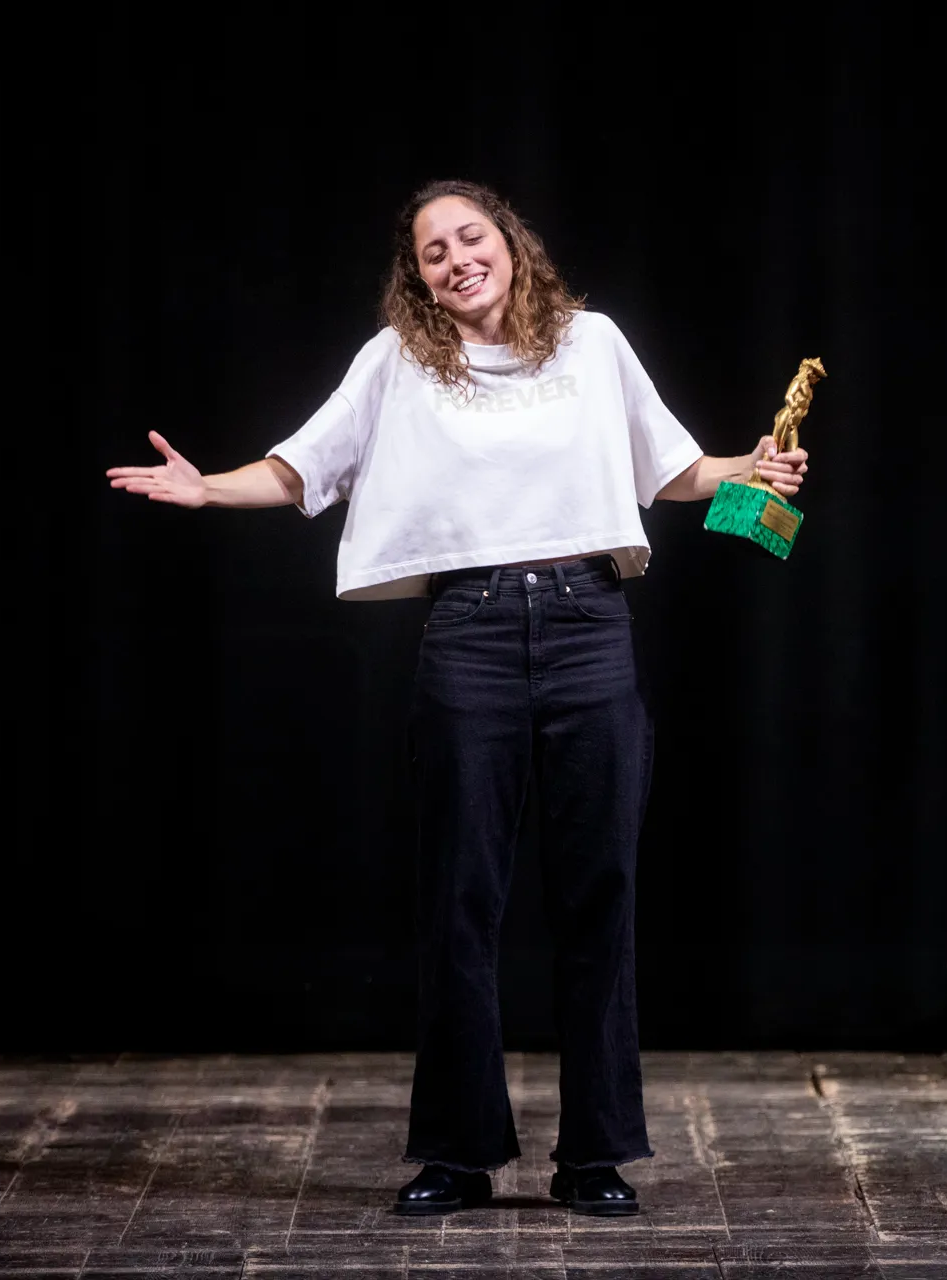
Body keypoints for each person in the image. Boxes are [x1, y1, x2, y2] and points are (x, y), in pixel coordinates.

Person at [106, 180, 809, 1214]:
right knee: (458, 904)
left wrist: (748, 466)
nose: (456, 259)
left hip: (587, 625)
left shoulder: (593, 342)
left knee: (598, 899)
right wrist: (207, 485)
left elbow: (671, 468)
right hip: (470, 633)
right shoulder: (397, 360)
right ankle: (455, 1150)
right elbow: (305, 466)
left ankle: (596, 1154)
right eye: (433, 251)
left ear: (511, 244)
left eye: (470, 237)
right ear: (418, 275)